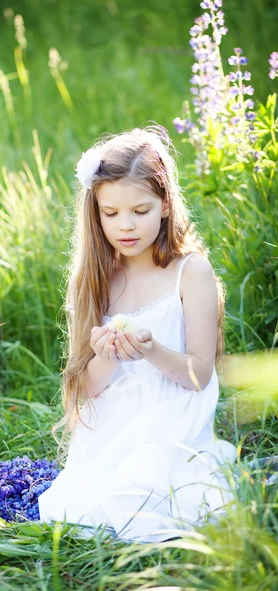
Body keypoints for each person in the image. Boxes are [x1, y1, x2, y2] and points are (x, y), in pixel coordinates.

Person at [37, 124, 238, 544]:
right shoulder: (95, 278)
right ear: (96, 213)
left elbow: (200, 374)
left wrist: (151, 350)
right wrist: (106, 355)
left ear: (165, 205)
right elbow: (83, 392)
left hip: (172, 419)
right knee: (82, 508)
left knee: (155, 493)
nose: (124, 226)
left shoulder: (190, 272)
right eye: (110, 214)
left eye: (140, 211)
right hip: (110, 425)